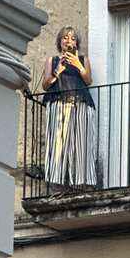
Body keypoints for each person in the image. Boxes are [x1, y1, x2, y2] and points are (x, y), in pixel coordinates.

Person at [41, 26, 96, 189]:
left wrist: (78, 65)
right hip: (58, 103)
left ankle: (82, 183)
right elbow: (45, 85)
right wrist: (58, 71)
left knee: (81, 143)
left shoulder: (83, 59)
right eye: (65, 38)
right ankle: (55, 182)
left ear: (76, 43)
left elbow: (88, 81)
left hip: (80, 104)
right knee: (57, 142)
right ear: (60, 41)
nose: (69, 41)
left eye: (72, 39)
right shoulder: (52, 61)